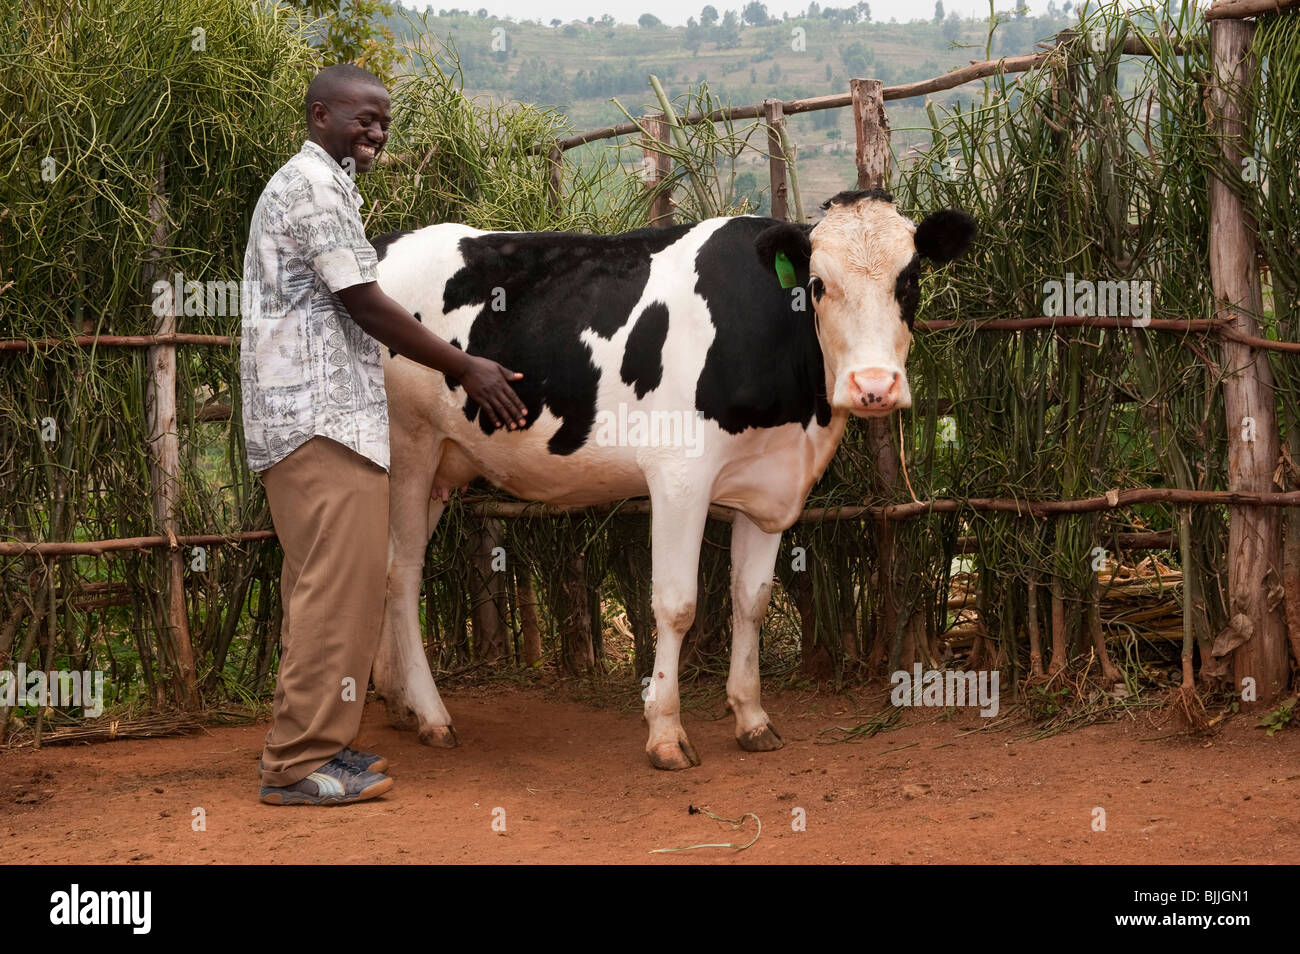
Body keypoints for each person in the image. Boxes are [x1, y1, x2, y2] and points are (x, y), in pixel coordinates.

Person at [241, 63, 526, 805]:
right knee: (332, 595)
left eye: (384, 120)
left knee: (333, 592)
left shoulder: (328, 186)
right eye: (361, 117)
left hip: (325, 420)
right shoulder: (310, 187)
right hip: (317, 421)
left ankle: (321, 745)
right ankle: (294, 765)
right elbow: (365, 302)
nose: (376, 130)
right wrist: (466, 367)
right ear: (318, 115)